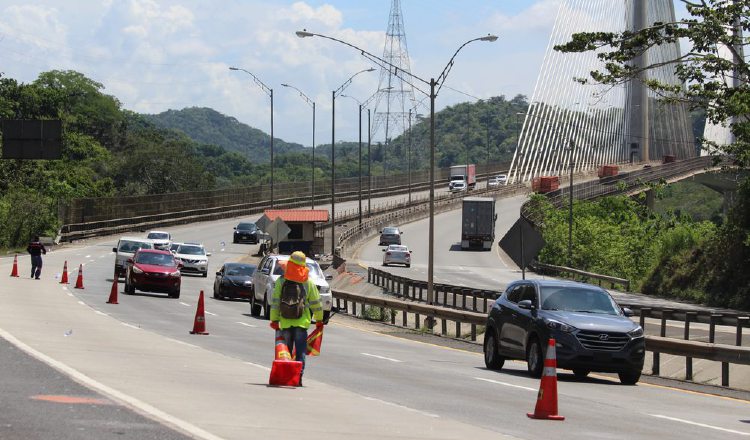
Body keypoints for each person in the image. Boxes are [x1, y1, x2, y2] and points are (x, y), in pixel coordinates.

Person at [269, 251, 324, 386]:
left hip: (285, 322)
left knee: (285, 353)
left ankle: (285, 377)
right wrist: (319, 320)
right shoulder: (308, 282)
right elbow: (316, 303)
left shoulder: (282, 280)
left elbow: (275, 302)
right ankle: (297, 378)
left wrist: (274, 320)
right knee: (300, 353)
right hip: (301, 323)